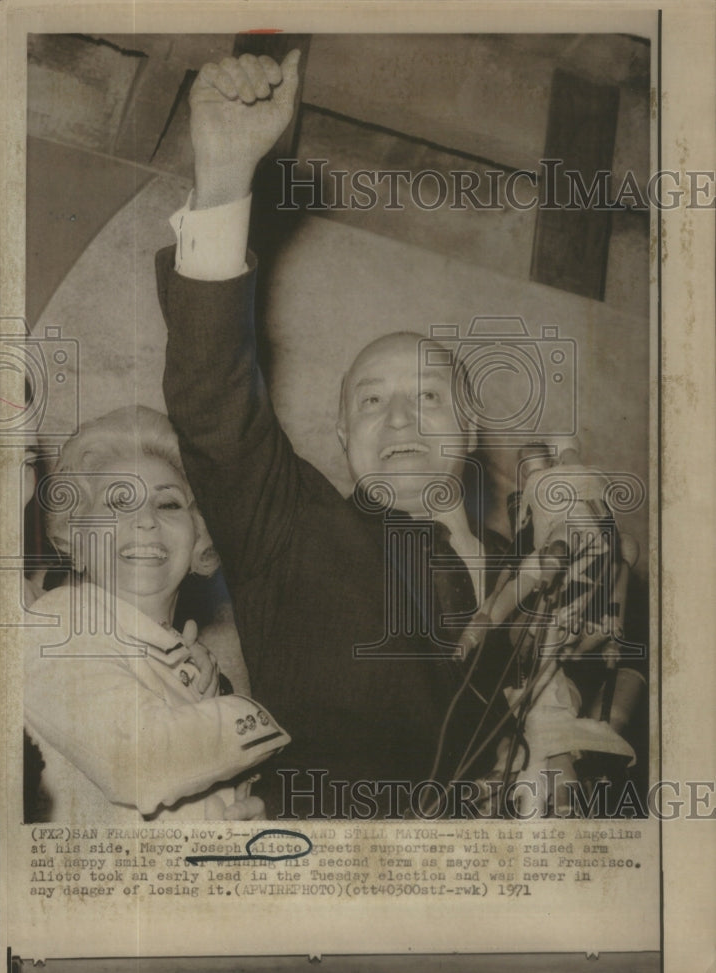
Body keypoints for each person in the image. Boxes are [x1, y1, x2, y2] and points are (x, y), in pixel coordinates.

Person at [158, 52, 642, 819]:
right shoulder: (289, 529)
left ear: (470, 425)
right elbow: (213, 403)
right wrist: (222, 176)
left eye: (426, 395)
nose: (399, 419)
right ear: (343, 433)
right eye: (373, 400)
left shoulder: (549, 566)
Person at [23, 405, 289, 824]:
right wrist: (260, 716)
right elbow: (139, 760)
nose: (145, 521)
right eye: (118, 503)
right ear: (76, 534)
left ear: (199, 535)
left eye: (167, 505)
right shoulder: (55, 624)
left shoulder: (195, 671)